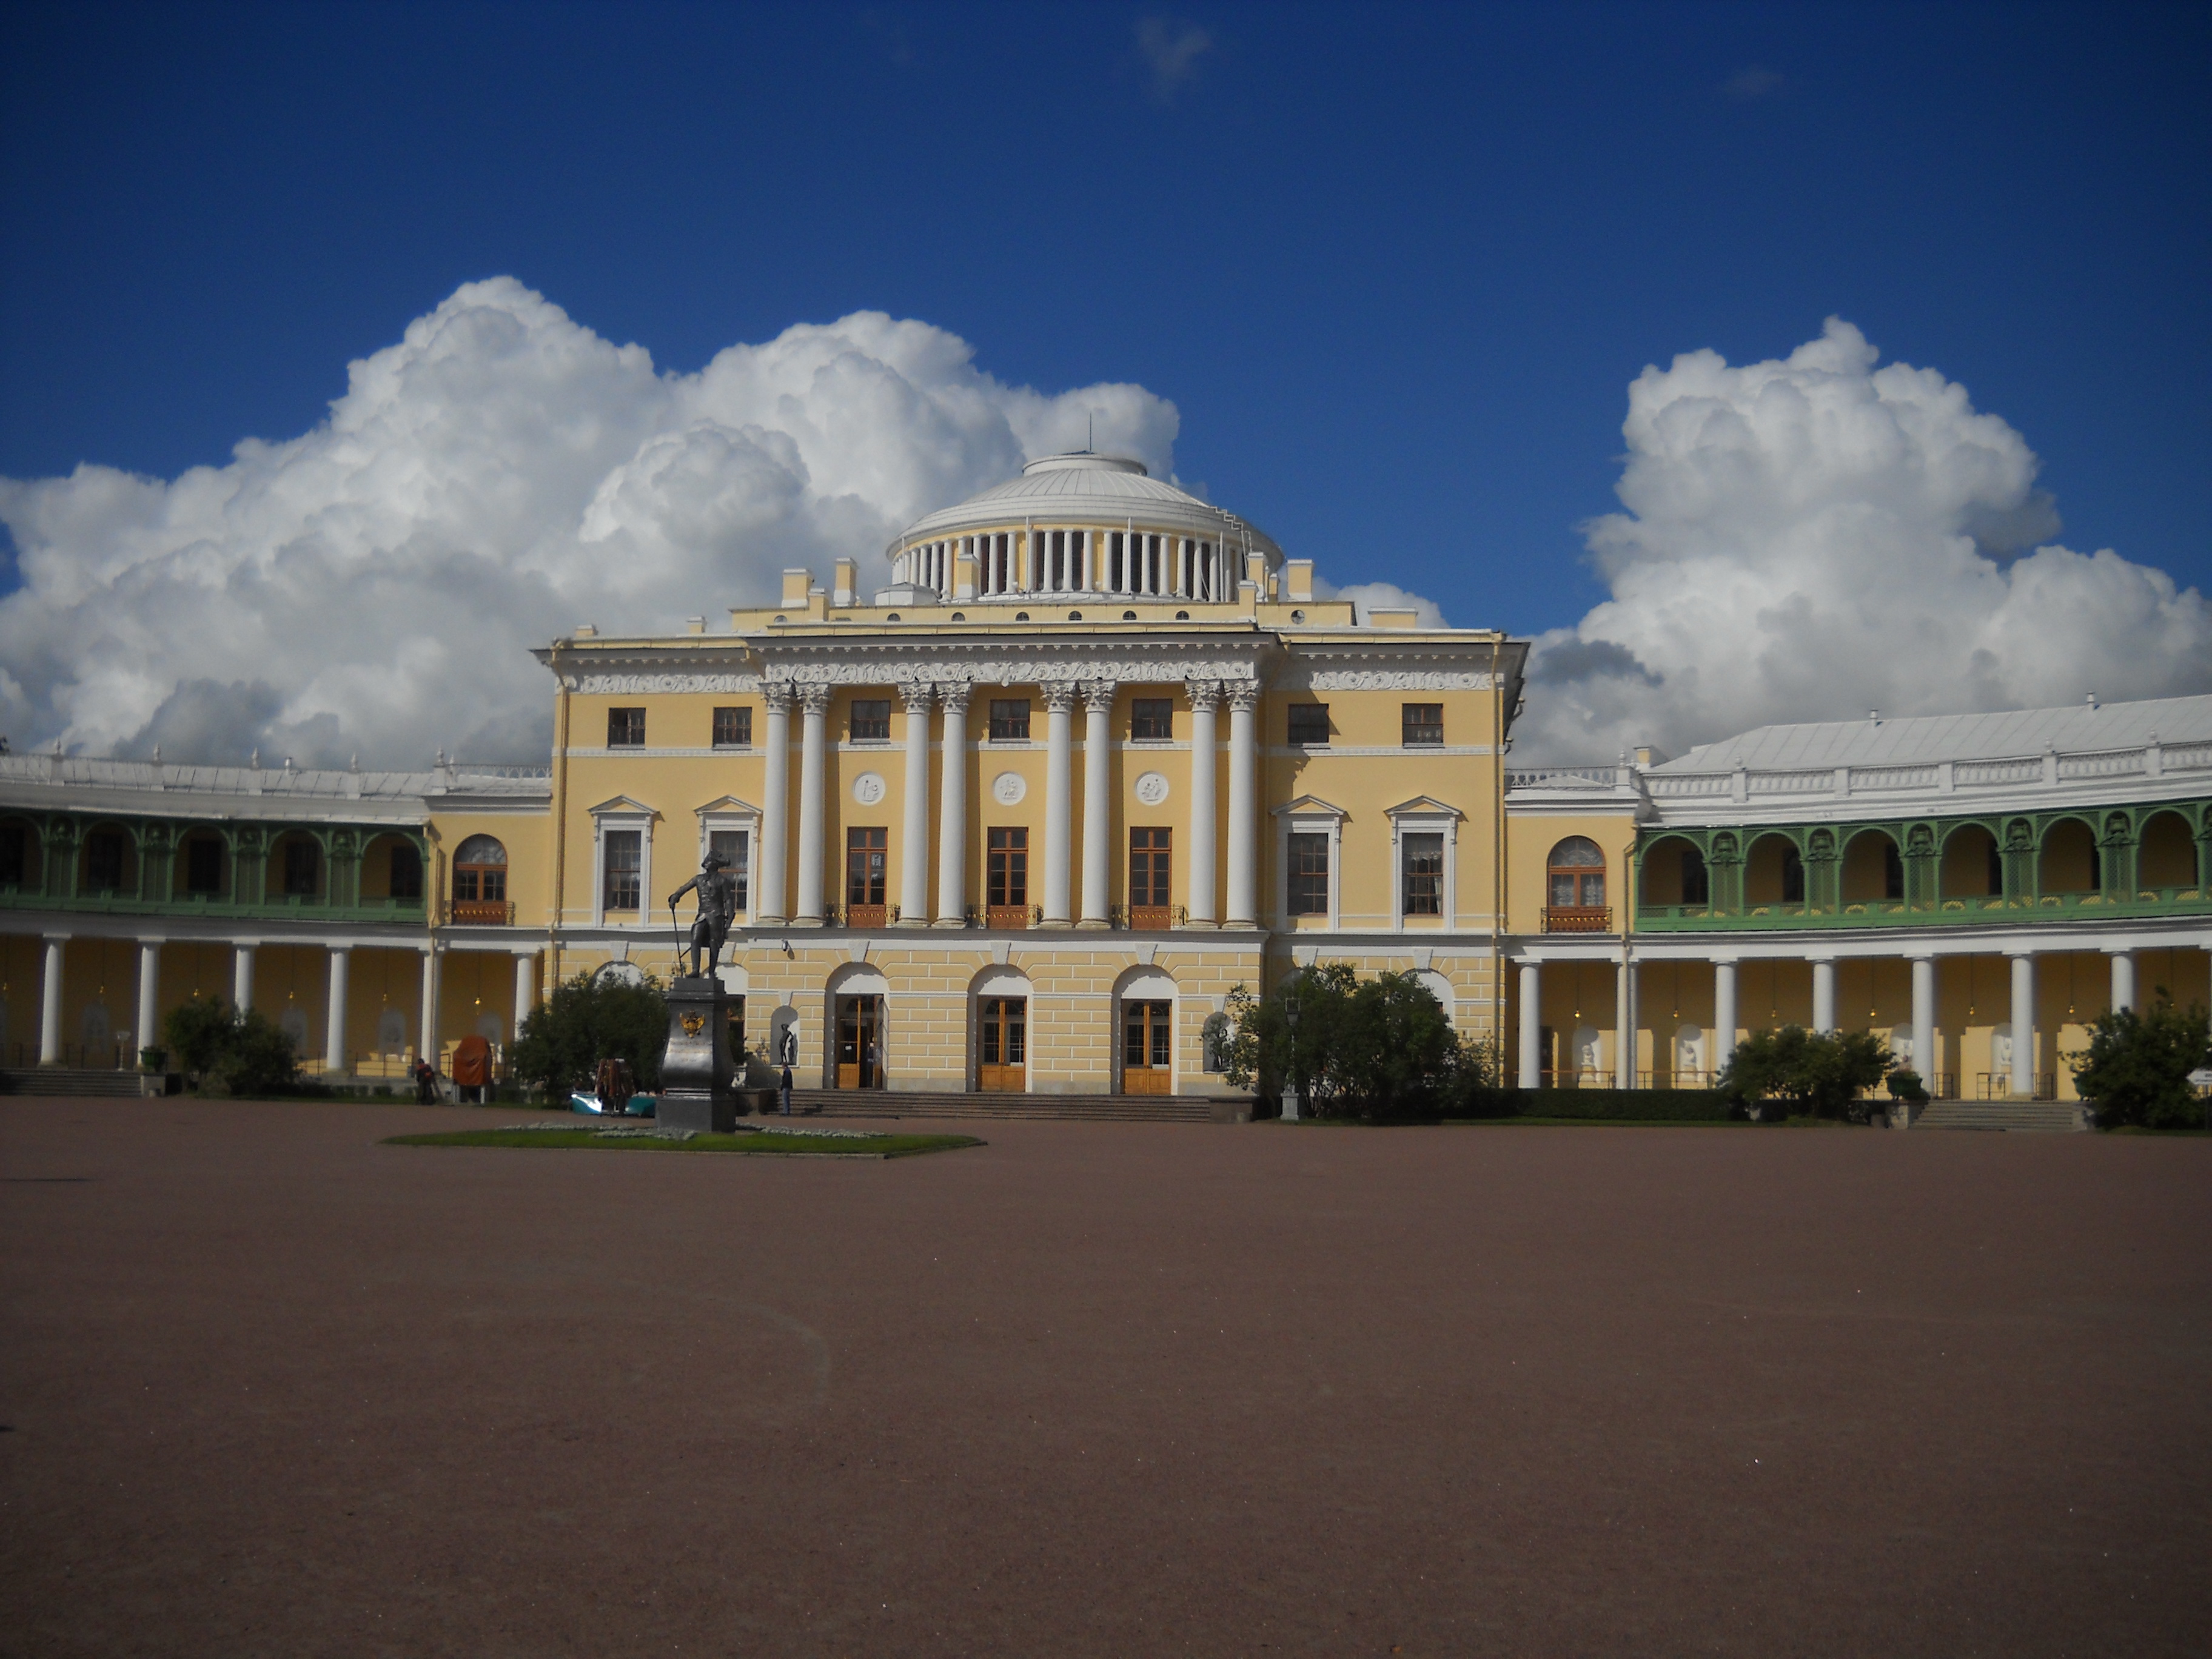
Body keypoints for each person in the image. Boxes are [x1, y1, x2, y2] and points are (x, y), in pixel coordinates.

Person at [666, 851, 739, 979]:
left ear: (714, 864)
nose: (706, 862)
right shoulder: (698, 879)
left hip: (716, 915)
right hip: (703, 914)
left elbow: (728, 899)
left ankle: (711, 972)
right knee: (695, 938)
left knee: (714, 943)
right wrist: (675, 896)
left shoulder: (722, 881)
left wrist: (730, 915)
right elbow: (685, 888)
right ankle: (695, 970)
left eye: (709, 860)